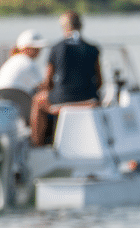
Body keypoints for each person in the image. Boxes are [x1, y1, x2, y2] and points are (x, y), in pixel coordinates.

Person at [30, 10, 102, 146]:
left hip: (62, 101)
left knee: (38, 101)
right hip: (89, 100)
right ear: (80, 26)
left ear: (64, 27)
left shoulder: (56, 48)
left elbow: (48, 82)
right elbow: (99, 81)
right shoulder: (93, 48)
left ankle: (37, 145)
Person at [0, 30, 47, 95]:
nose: (39, 51)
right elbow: (44, 87)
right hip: (17, 100)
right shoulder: (29, 63)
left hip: (0, 98)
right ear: (25, 48)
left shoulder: (11, 61)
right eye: (35, 48)